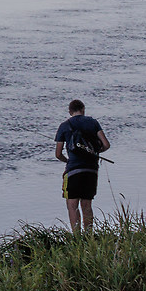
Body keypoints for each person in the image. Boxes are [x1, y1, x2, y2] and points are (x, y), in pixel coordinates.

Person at [53, 99, 109, 232]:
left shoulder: (64, 126)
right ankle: (89, 235)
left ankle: (77, 238)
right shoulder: (93, 122)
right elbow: (106, 145)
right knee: (87, 205)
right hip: (91, 169)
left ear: (70, 111)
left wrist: (68, 161)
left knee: (72, 205)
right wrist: (93, 152)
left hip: (73, 170)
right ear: (83, 109)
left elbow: (58, 154)